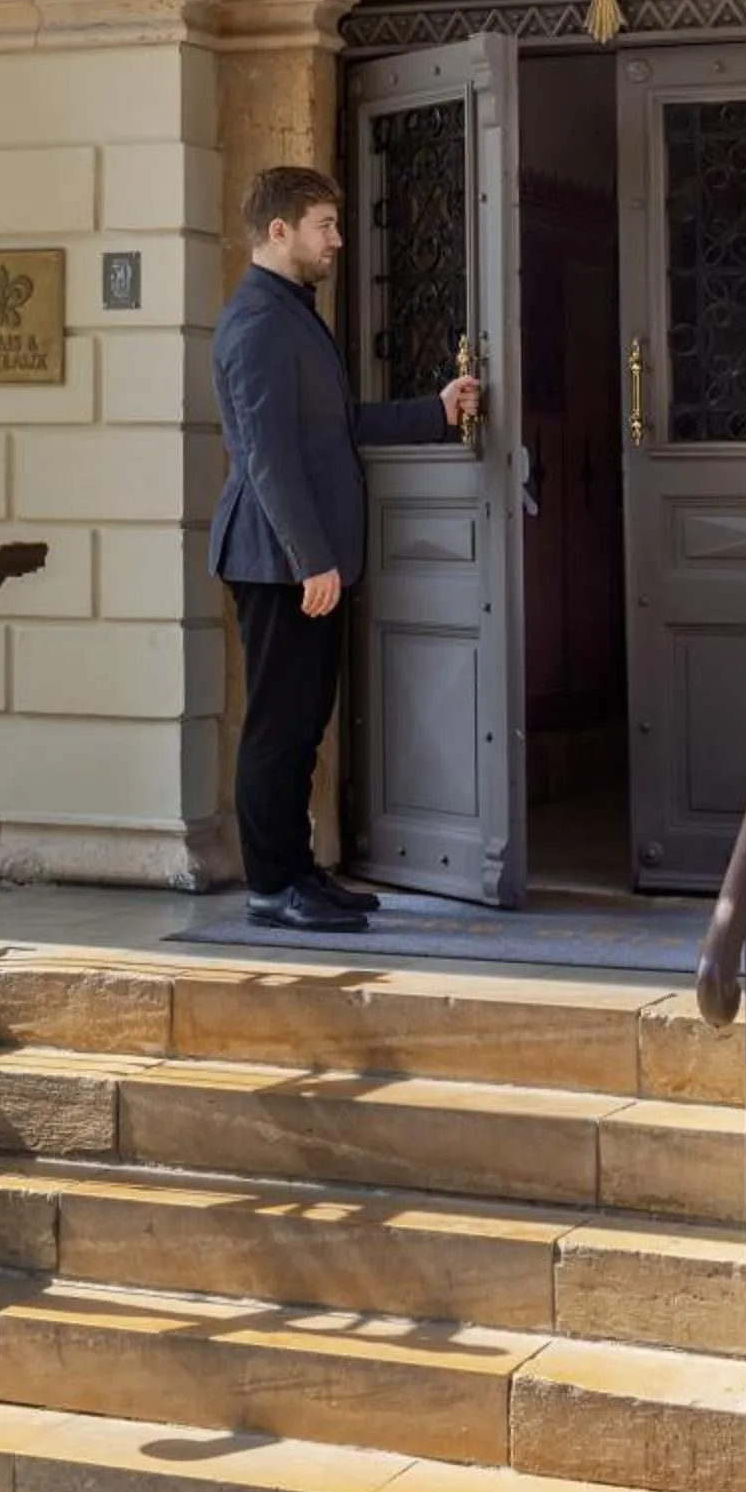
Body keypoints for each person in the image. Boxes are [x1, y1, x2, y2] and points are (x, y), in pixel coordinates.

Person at [210, 163, 481, 934]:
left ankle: (300, 872)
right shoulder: (259, 321)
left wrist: (432, 411)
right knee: (279, 725)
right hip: (279, 561)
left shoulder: (291, 311)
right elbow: (265, 455)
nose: (336, 239)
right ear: (279, 231)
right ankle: (271, 886)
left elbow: (330, 425)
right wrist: (309, 558)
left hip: (303, 559)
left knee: (303, 725)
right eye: (325, 225)